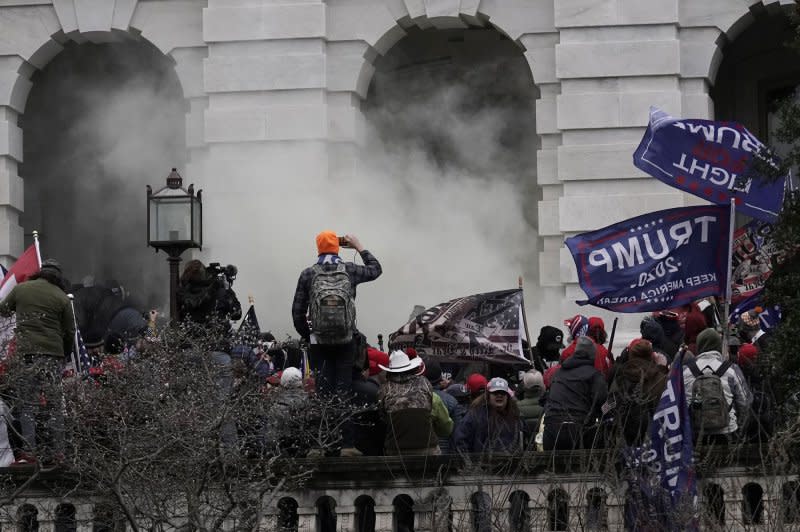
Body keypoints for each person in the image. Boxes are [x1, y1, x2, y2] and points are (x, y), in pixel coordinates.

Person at [291, 232, 381, 456]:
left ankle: (319, 446)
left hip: (319, 343)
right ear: (338, 248)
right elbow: (376, 269)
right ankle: (347, 446)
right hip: (345, 341)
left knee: (321, 392)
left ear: (318, 248)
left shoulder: (308, 274)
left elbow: (297, 311)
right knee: (343, 390)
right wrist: (359, 246)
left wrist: (309, 334)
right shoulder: (349, 270)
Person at [0, 259, 74, 462]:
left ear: (39, 273)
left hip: (26, 355)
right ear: (58, 278)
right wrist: (64, 354)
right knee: (54, 406)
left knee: (27, 405)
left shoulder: (22, 289)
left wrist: (21, 311)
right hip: (52, 357)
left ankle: (29, 453)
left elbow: (3, 309)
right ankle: (58, 452)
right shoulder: (62, 298)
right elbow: (69, 332)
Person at [176, 260, 242, 449]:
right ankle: (230, 452)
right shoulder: (218, 290)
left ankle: (196, 452)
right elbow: (236, 312)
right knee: (221, 406)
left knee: (193, 405)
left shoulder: (181, 293)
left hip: (189, 351)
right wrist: (227, 288)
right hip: (217, 351)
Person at [683, 328, 752, 445]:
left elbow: (680, 405)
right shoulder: (731, 369)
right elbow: (745, 402)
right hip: (727, 432)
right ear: (718, 346)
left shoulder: (685, 371)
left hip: (696, 434)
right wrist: (738, 428)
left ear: (699, 346)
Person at [377, 351, 451, 456]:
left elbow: (383, 418)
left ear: (390, 371)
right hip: (428, 448)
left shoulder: (384, 389)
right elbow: (429, 408)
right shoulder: (424, 382)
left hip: (396, 449)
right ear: (410, 368)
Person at [543, 337, 608, 451]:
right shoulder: (594, 375)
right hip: (580, 430)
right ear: (592, 355)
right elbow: (602, 401)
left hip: (551, 429)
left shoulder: (558, 373)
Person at [607, 339, 667, 446]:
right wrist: (662, 368)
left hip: (625, 439)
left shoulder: (621, 379)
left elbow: (607, 407)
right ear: (651, 356)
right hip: (653, 439)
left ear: (630, 356)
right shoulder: (660, 379)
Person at [453, 377, 522, 454]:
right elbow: (461, 440)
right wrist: (470, 462)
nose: (499, 395)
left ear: (507, 396)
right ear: (488, 395)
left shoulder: (515, 416)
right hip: (481, 464)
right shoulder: (474, 415)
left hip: (511, 464)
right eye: (495, 392)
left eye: (503, 393)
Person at [517, 370, 545, 447]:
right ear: (542, 386)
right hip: (544, 447)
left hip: (525, 449)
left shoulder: (516, 407)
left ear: (524, 387)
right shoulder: (548, 406)